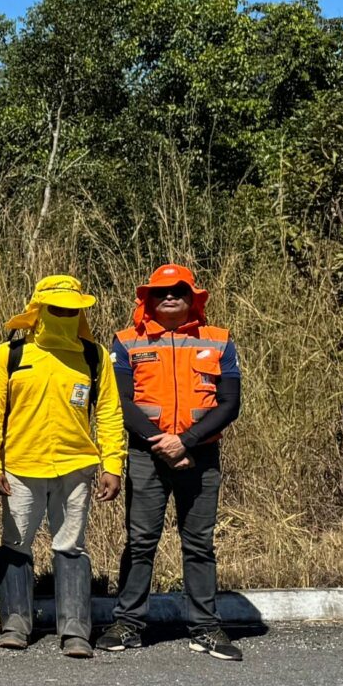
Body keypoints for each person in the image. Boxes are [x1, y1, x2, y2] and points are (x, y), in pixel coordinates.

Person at [109, 264, 244, 660]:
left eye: (179, 290)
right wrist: (162, 444)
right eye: (160, 291)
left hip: (200, 455)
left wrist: (184, 443)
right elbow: (121, 402)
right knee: (140, 542)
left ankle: (205, 628)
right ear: (148, 298)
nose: (169, 297)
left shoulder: (219, 340)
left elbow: (230, 403)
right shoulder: (126, 341)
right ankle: (128, 624)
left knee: (199, 543)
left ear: (193, 298)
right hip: (146, 454)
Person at [0, 274, 125, 657]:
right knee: (16, 545)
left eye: (71, 310)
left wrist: (113, 464)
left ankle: (75, 631)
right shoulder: (9, 355)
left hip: (76, 468)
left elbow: (109, 412)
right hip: (20, 466)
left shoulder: (94, 356)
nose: (64, 315)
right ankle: (15, 624)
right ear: (39, 310)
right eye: (56, 309)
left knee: (71, 547)